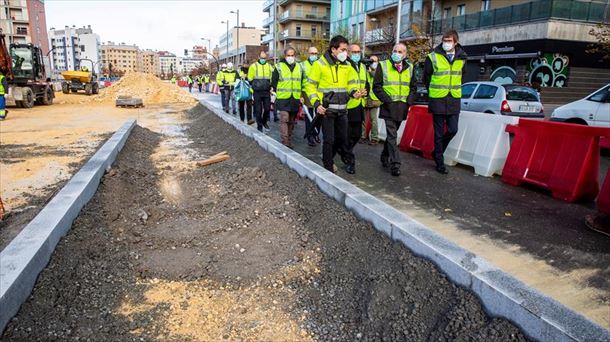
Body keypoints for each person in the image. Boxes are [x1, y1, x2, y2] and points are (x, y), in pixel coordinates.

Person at [304, 35, 363, 173]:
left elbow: (351, 85)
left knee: (343, 138)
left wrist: (354, 93)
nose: (345, 53)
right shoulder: (320, 64)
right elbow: (310, 86)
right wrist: (317, 103)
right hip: (327, 110)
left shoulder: (347, 66)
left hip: (342, 109)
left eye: (346, 50)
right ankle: (328, 165)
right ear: (333, 49)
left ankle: (331, 157)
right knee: (329, 139)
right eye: (343, 50)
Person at [423, 30, 467, 174]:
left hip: (454, 98)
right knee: (438, 133)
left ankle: (437, 151)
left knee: (453, 129)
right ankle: (439, 162)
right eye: (444, 40)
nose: (446, 43)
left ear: (456, 42)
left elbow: (462, 77)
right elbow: (426, 78)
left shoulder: (462, 58)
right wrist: (433, 92)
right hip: (438, 99)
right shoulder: (432, 57)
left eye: (449, 41)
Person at [373, 43, 417, 177]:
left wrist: (409, 102)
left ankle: (384, 155)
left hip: (402, 107)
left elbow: (413, 87)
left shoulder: (410, 68)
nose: (397, 53)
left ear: (405, 54)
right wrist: (387, 100)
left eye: (400, 51)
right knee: (393, 135)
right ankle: (395, 164)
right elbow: (377, 87)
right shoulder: (383, 65)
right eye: (395, 51)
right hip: (388, 106)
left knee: (391, 135)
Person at [341, 43, 368, 174]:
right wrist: (352, 93)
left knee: (357, 135)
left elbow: (366, 83)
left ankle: (344, 150)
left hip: (359, 105)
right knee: (346, 135)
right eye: (354, 52)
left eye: (358, 52)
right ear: (349, 53)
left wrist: (365, 91)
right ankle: (349, 160)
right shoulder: (344, 65)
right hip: (347, 105)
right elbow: (342, 84)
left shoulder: (362, 66)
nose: (356, 54)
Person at [272, 47, 303, 148]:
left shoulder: (299, 67)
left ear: (295, 56)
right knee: (284, 119)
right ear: (285, 56)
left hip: (295, 98)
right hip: (283, 98)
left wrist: (301, 95)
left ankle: (289, 139)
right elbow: (274, 82)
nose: (290, 57)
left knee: (291, 121)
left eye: (292, 55)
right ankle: (285, 140)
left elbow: (302, 82)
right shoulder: (279, 67)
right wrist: (279, 92)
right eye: (288, 55)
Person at [300, 46, 321, 146]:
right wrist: (300, 95)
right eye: (312, 53)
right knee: (309, 116)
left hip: (318, 93)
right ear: (308, 54)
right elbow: (299, 81)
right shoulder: (302, 65)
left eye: (316, 53)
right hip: (307, 93)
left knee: (319, 115)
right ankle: (310, 136)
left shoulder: (320, 64)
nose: (314, 55)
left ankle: (316, 132)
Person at [248, 51, 273, 132]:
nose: (263, 59)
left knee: (267, 108)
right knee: (258, 110)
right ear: (258, 57)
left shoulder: (269, 66)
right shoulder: (253, 66)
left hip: (266, 91)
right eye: (262, 58)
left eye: (264, 58)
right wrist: (254, 88)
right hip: (257, 92)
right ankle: (259, 125)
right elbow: (250, 79)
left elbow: (272, 77)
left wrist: (271, 86)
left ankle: (264, 122)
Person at [361, 55, 381, 145]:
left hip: (374, 98)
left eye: (374, 61)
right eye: (371, 61)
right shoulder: (364, 69)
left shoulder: (378, 70)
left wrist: (371, 70)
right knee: (363, 119)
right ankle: (363, 136)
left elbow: (376, 76)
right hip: (365, 96)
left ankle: (374, 138)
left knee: (373, 119)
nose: (373, 62)